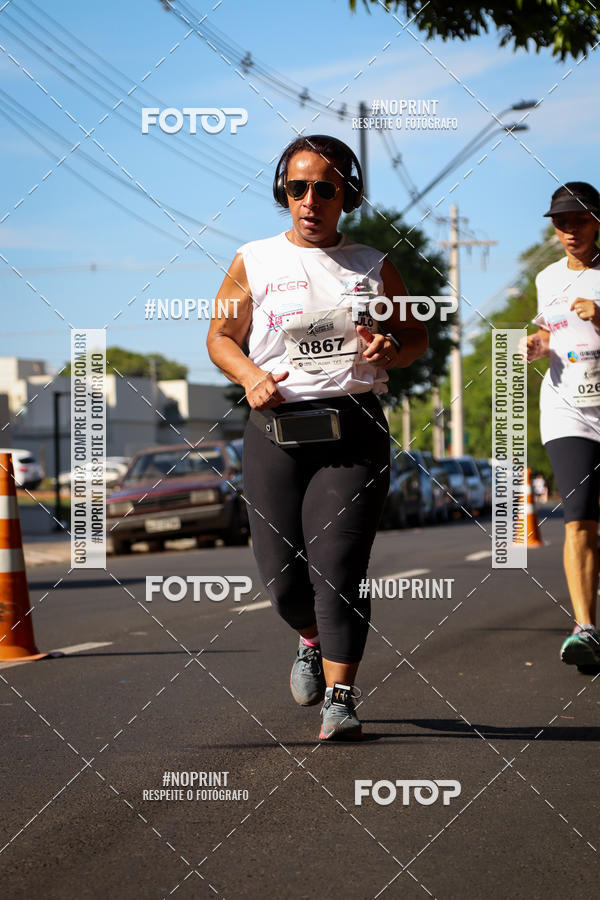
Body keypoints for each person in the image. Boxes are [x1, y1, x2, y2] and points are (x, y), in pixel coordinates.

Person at [207, 134, 427, 739]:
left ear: (346, 196)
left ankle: (342, 696)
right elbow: (220, 337)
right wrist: (249, 374)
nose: (309, 200)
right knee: (282, 582)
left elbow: (414, 341)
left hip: (351, 429)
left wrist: (391, 346)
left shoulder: (372, 264)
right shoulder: (254, 259)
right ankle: (309, 637)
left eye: (324, 189)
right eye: (296, 187)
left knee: (339, 565)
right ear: (284, 191)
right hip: (273, 426)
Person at [526, 181, 600, 672]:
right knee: (579, 518)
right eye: (561, 222)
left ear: (597, 222)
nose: (570, 230)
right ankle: (586, 628)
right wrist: (537, 344)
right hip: (566, 408)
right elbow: (551, 332)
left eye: (579, 220)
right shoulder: (548, 278)